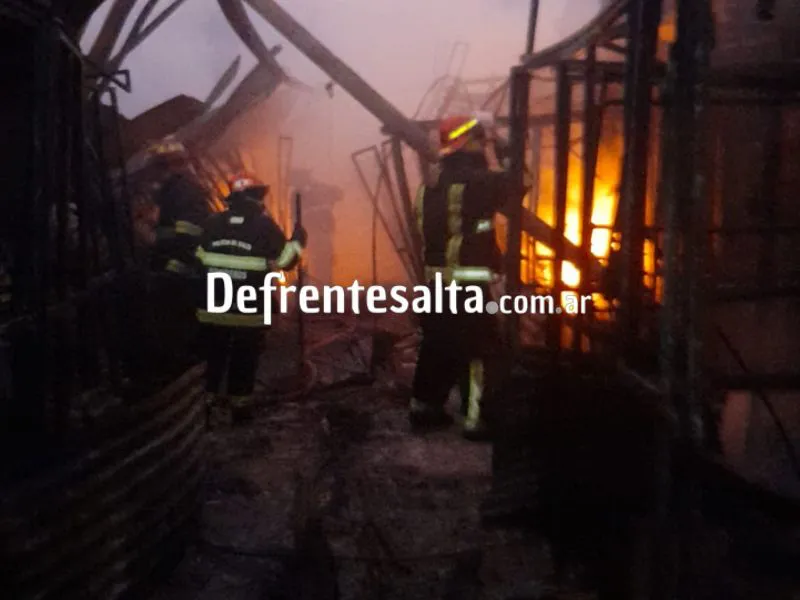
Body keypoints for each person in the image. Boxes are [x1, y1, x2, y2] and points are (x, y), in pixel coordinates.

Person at [409, 112, 519, 440]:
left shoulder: (429, 185)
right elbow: (517, 183)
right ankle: (477, 420)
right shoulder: (478, 180)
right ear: (470, 140)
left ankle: (424, 407)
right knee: (481, 349)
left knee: (438, 343)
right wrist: (494, 141)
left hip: (437, 280)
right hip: (468, 282)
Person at [194, 172, 307, 424]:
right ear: (254, 197)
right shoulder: (264, 225)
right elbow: (287, 262)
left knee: (214, 360)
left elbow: (197, 259)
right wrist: (298, 241)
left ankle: (206, 411)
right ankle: (240, 411)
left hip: (213, 308)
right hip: (249, 310)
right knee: (243, 361)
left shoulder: (212, 223)